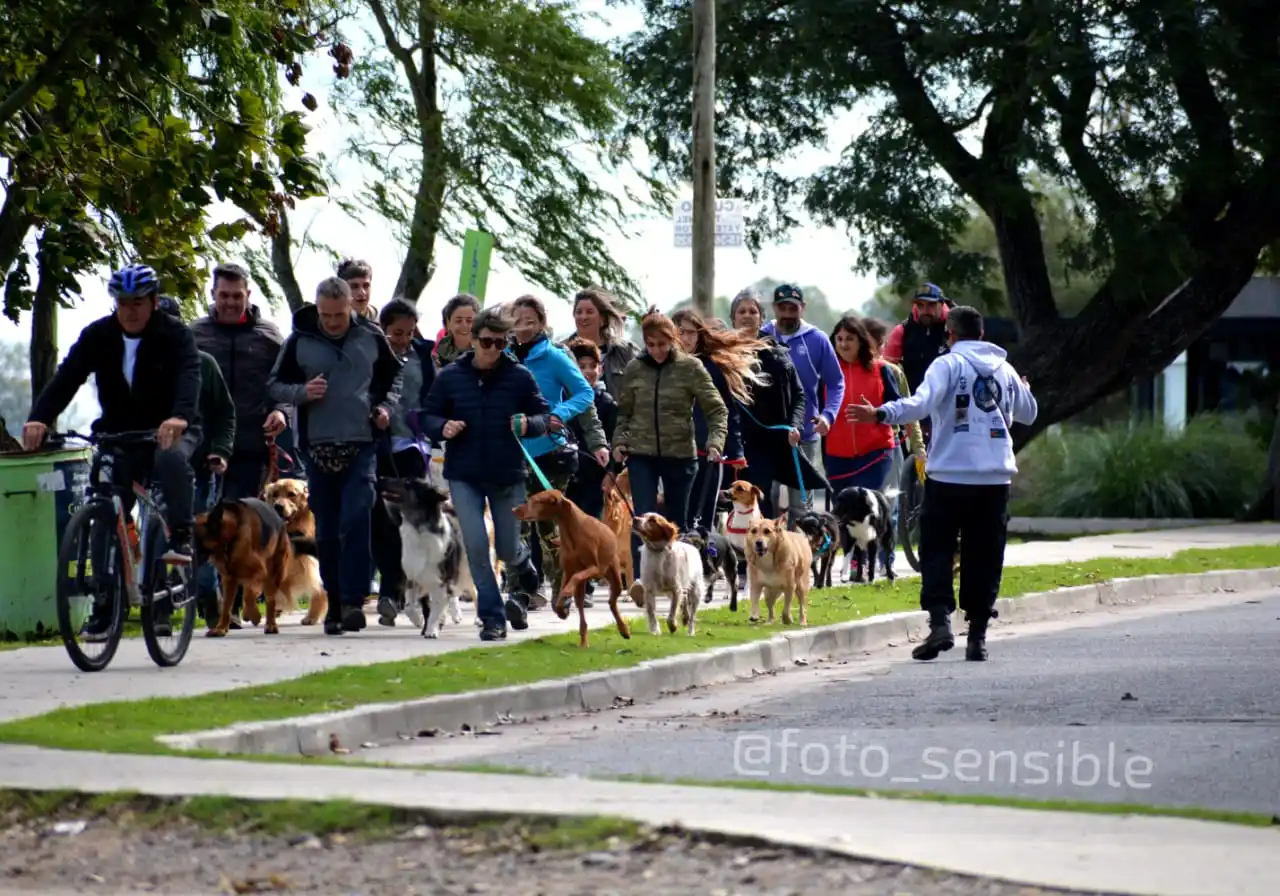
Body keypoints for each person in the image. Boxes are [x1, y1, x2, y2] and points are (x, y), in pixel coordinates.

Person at [848, 305, 1037, 663]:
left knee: (936, 550)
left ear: (949, 334)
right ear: (981, 334)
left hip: (949, 475)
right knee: (985, 554)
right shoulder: (1005, 368)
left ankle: (939, 623)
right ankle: (977, 636)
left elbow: (920, 405)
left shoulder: (946, 365)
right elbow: (1030, 413)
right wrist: (1024, 389)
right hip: (995, 478)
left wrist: (880, 413)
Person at [23, 263, 201, 640]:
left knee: (171, 463)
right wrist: (39, 418)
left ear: (153, 302)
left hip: (167, 430)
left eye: (137, 302)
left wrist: (179, 417)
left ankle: (182, 536)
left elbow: (190, 376)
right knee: (103, 505)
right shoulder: (98, 335)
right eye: (122, 303)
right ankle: (104, 606)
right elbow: (67, 376)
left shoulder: (175, 335)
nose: (130, 311)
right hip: (118, 434)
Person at [266, 277, 404, 636]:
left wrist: (386, 408)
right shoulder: (300, 340)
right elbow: (275, 385)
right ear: (317, 309)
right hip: (317, 447)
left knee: (357, 519)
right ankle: (335, 601)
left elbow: (395, 378)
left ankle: (353, 601)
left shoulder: (370, 336)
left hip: (361, 445)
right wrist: (301, 392)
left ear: (350, 308)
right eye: (325, 315)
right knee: (326, 530)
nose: (332, 322)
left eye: (339, 315)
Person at [420, 307, 550, 641]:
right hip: (464, 473)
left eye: (500, 343)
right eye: (487, 342)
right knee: (476, 546)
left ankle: (522, 564)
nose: (493, 349)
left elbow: (544, 416)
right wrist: (442, 427)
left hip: (507, 473)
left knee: (506, 548)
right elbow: (426, 416)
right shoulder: (451, 376)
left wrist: (528, 424)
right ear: (473, 340)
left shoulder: (519, 376)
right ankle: (492, 617)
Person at [190, 263, 290, 627]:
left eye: (237, 295)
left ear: (249, 295)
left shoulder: (268, 335)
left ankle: (236, 602)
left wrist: (281, 411)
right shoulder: (195, 335)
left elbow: (285, 381)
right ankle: (214, 602)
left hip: (251, 444)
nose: (231, 302)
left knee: (243, 527)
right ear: (212, 295)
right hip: (204, 447)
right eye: (224, 295)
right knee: (208, 524)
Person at [507, 295, 610, 608]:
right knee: (516, 523)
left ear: (541, 322)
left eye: (531, 318)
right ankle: (520, 592)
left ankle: (562, 587)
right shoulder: (504, 355)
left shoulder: (554, 356)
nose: (523, 324)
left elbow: (584, 393)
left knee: (549, 527)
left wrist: (559, 416)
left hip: (551, 454)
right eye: (517, 317)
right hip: (512, 453)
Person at [612, 309, 728, 581]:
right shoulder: (635, 369)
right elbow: (624, 413)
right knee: (642, 516)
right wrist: (620, 441)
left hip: (680, 455)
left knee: (677, 521)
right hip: (641, 454)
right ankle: (642, 580)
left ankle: (680, 577)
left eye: (662, 344)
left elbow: (717, 410)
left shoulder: (690, 367)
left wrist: (715, 442)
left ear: (673, 339)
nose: (656, 351)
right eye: (650, 345)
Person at [671, 308, 767, 533]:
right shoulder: (663, 366)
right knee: (675, 514)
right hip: (672, 453)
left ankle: (706, 562)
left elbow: (727, 411)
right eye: (680, 333)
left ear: (699, 335)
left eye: (691, 333)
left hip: (708, 452)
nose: (685, 339)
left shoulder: (711, 368)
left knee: (703, 517)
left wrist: (736, 452)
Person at [373, 298, 438, 626]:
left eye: (409, 333)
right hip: (379, 446)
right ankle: (389, 590)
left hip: (413, 446)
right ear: (383, 330)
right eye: (396, 333)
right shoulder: (372, 354)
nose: (403, 339)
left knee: (413, 522)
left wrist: (428, 421)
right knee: (382, 523)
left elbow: (433, 394)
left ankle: (419, 594)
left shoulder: (423, 355)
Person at [761, 284, 845, 517]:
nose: (787, 314)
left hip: (804, 433)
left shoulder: (816, 339)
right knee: (767, 499)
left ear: (802, 308)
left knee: (801, 505)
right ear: (774, 308)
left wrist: (829, 415)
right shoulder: (762, 336)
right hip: (768, 434)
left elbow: (836, 382)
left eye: (793, 308)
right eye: (782, 308)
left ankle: (804, 552)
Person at [863, 315, 926, 573]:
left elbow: (908, 409)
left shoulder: (892, 372)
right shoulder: (843, 371)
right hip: (856, 449)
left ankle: (885, 559)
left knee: (891, 504)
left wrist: (918, 446)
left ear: (880, 345)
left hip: (891, 444)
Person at [824, 315, 901, 493]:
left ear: (861, 340)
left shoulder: (881, 370)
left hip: (875, 453)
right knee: (843, 513)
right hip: (837, 456)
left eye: (850, 339)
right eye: (839, 339)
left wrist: (876, 413)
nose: (844, 344)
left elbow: (899, 409)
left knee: (867, 506)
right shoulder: (826, 373)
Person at [564, 338, 618, 523]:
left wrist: (611, 473)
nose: (587, 371)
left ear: (600, 369)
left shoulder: (607, 403)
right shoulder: (559, 401)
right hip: (564, 477)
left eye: (592, 365)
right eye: (581, 366)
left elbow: (616, 440)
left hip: (595, 481)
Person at [566, 286, 638, 399]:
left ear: (602, 318)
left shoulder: (624, 350)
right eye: (579, 312)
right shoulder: (562, 351)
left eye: (589, 312)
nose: (583, 317)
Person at [883, 282, 952, 396]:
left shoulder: (955, 327)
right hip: (915, 401)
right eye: (920, 305)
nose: (925, 310)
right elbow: (887, 370)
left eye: (931, 305)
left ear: (941, 304)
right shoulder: (902, 331)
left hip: (949, 400)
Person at [433, 294, 481, 368]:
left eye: (469, 321)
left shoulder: (484, 350)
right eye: (458, 321)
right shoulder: (441, 347)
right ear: (448, 323)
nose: (464, 325)